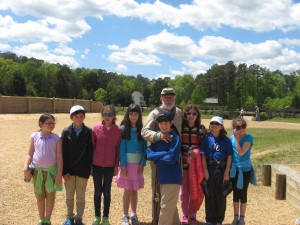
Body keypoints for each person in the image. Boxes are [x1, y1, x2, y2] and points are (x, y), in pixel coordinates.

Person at [141, 87, 182, 225]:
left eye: (171, 96)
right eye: (166, 96)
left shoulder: (179, 112)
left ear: (175, 98)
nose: (168, 98)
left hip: (175, 155)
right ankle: (156, 219)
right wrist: (158, 135)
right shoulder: (154, 113)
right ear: (161, 98)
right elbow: (144, 132)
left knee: (168, 195)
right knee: (158, 193)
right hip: (158, 159)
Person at [23, 114, 63, 225]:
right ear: (41, 124)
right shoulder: (34, 136)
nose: (51, 125)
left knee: (50, 197)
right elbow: (30, 154)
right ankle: (41, 219)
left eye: (53, 123)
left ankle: (47, 219)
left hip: (51, 173)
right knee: (39, 197)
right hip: (37, 173)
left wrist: (59, 174)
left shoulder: (57, 138)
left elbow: (59, 156)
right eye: (48, 123)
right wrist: (25, 167)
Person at [115, 104, 147, 225]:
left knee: (135, 190)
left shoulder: (142, 129)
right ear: (128, 115)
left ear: (139, 115)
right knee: (127, 190)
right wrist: (122, 165)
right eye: (131, 114)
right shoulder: (123, 129)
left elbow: (144, 148)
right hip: (127, 165)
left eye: (136, 114)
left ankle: (134, 214)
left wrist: (142, 163)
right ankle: (125, 215)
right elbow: (121, 148)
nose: (133, 116)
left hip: (138, 165)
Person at [61, 105, 93, 225]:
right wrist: (64, 171)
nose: (79, 119)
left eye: (81, 116)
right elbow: (62, 153)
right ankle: (69, 217)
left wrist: (88, 170)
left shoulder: (88, 131)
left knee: (81, 197)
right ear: (71, 117)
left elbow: (90, 152)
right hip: (69, 171)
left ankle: (79, 218)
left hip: (82, 171)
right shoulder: (66, 131)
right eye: (76, 116)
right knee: (69, 196)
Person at [92, 105, 122, 225]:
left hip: (110, 166)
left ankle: (105, 217)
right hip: (96, 165)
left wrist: (116, 166)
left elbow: (118, 149)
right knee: (97, 191)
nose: (107, 117)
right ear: (102, 115)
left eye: (110, 114)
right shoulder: (95, 129)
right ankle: (97, 216)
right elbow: (92, 148)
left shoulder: (118, 131)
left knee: (107, 192)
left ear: (114, 116)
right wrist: (90, 165)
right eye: (105, 114)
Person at [200, 116, 233, 225]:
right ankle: (209, 219)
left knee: (220, 196)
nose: (214, 125)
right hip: (209, 170)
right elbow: (203, 155)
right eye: (212, 123)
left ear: (221, 126)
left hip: (221, 171)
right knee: (209, 195)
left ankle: (218, 219)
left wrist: (227, 172)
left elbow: (229, 157)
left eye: (217, 124)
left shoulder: (226, 141)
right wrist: (205, 170)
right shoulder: (206, 139)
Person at [180, 105, 206, 225]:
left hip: (195, 167)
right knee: (184, 192)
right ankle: (185, 215)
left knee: (195, 191)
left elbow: (204, 147)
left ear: (197, 115)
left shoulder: (201, 130)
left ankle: (193, 214)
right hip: (183, 165)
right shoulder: (181, 128)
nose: (191, 116)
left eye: (194, 114)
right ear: (185, 115)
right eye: (188, 113)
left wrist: (197, 153)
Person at [229, 117, 257, 225]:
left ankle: (242, 218)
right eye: (238, 127)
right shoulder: (231, 138)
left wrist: (236, 139)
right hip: (234, 169)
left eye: (243, 126)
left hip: (245, 170)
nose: (241, 129)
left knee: (243, 193)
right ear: (234, 128)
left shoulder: (249, 138)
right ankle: (235, 217)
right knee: (235, 194)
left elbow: (240, 153)